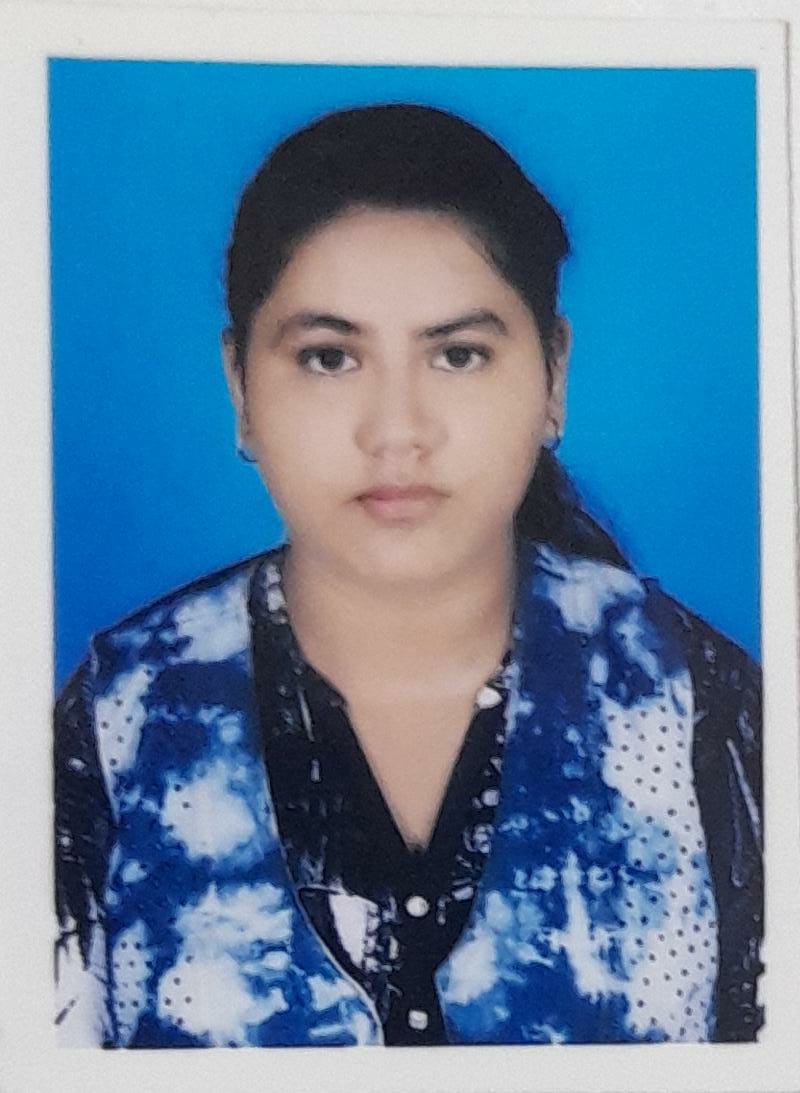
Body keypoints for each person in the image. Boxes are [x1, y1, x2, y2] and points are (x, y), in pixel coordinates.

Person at [54, 103, 763, 1049]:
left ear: (553, 376)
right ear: (241, 389)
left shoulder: (698, 703)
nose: (397, 431)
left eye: (458, 354)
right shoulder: (123, 716)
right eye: (329, 357)